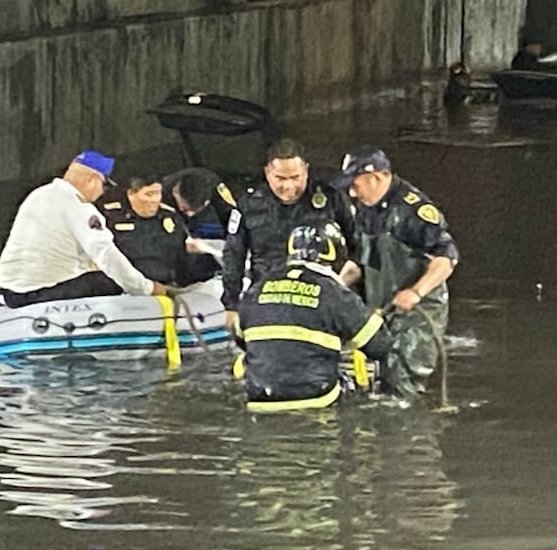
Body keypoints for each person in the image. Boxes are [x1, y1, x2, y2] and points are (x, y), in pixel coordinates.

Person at [334, 145, 459, 401]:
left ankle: (410, 435)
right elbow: (361, 258)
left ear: (376, 177)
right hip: (381, 309)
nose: (351, 192)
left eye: (355, 184)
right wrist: (334, 286)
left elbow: (447, 258)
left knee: (403, 382)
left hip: (416, 313)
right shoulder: (365, 207)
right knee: (373, 379)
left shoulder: (413, 211)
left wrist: (416, 291)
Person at [237, 222, 392, 412]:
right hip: (316, 399)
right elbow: (379, 346)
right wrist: (376, 318)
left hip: (259, 399)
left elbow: (242, 340)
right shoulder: (334, 294)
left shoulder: (257, 289)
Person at [0, 151, 168, 308]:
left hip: (11, 291)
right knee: (108, 280)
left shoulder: (39, 194)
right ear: (91, 180)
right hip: (38, 293)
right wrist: (148, 288)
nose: (103, 192)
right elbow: (106, 254)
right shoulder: (79, 207)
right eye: (104, 185)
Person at [222, 139, 359, 333]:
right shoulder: (248, 205)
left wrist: (343, 285)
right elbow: (233, 256)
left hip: (319, 301)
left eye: (296, 177)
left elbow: (357, 246)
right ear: (267, 172)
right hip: (268, 300)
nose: (289, 186)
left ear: (306, 170)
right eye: (280, 178)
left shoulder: (331, 198)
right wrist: (231, 304)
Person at [99, 174, 216, 286]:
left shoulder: (170, 217)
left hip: (170, 286)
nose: (155, 200)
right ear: (131, 194)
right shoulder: (112, 219)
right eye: (149, 194)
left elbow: (182, 257)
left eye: (157, 193)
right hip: (131, 288)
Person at [162, 167, 238, 240]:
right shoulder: (163, 190)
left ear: (206, 202)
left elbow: (232, 209)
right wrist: (166, 215)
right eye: (185, 209)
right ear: (175, 194)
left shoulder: (216, 187)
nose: (190, 214)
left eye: (194, 210)